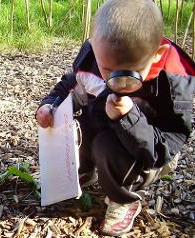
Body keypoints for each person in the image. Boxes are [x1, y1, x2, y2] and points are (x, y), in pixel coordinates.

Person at [36, 0, 195, 236]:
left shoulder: (174, 84)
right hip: (101, 122)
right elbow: (72, 85)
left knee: (106, 146)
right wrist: (50, 106)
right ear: (94, 46)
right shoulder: (93, 56)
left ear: (157, 54)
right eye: (107, 70)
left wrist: (129, 117)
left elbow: (164, 149)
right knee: (75, 126)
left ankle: (123, 198)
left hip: (147, 150)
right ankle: (83, 172)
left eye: (129, 73)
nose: (116, 82)